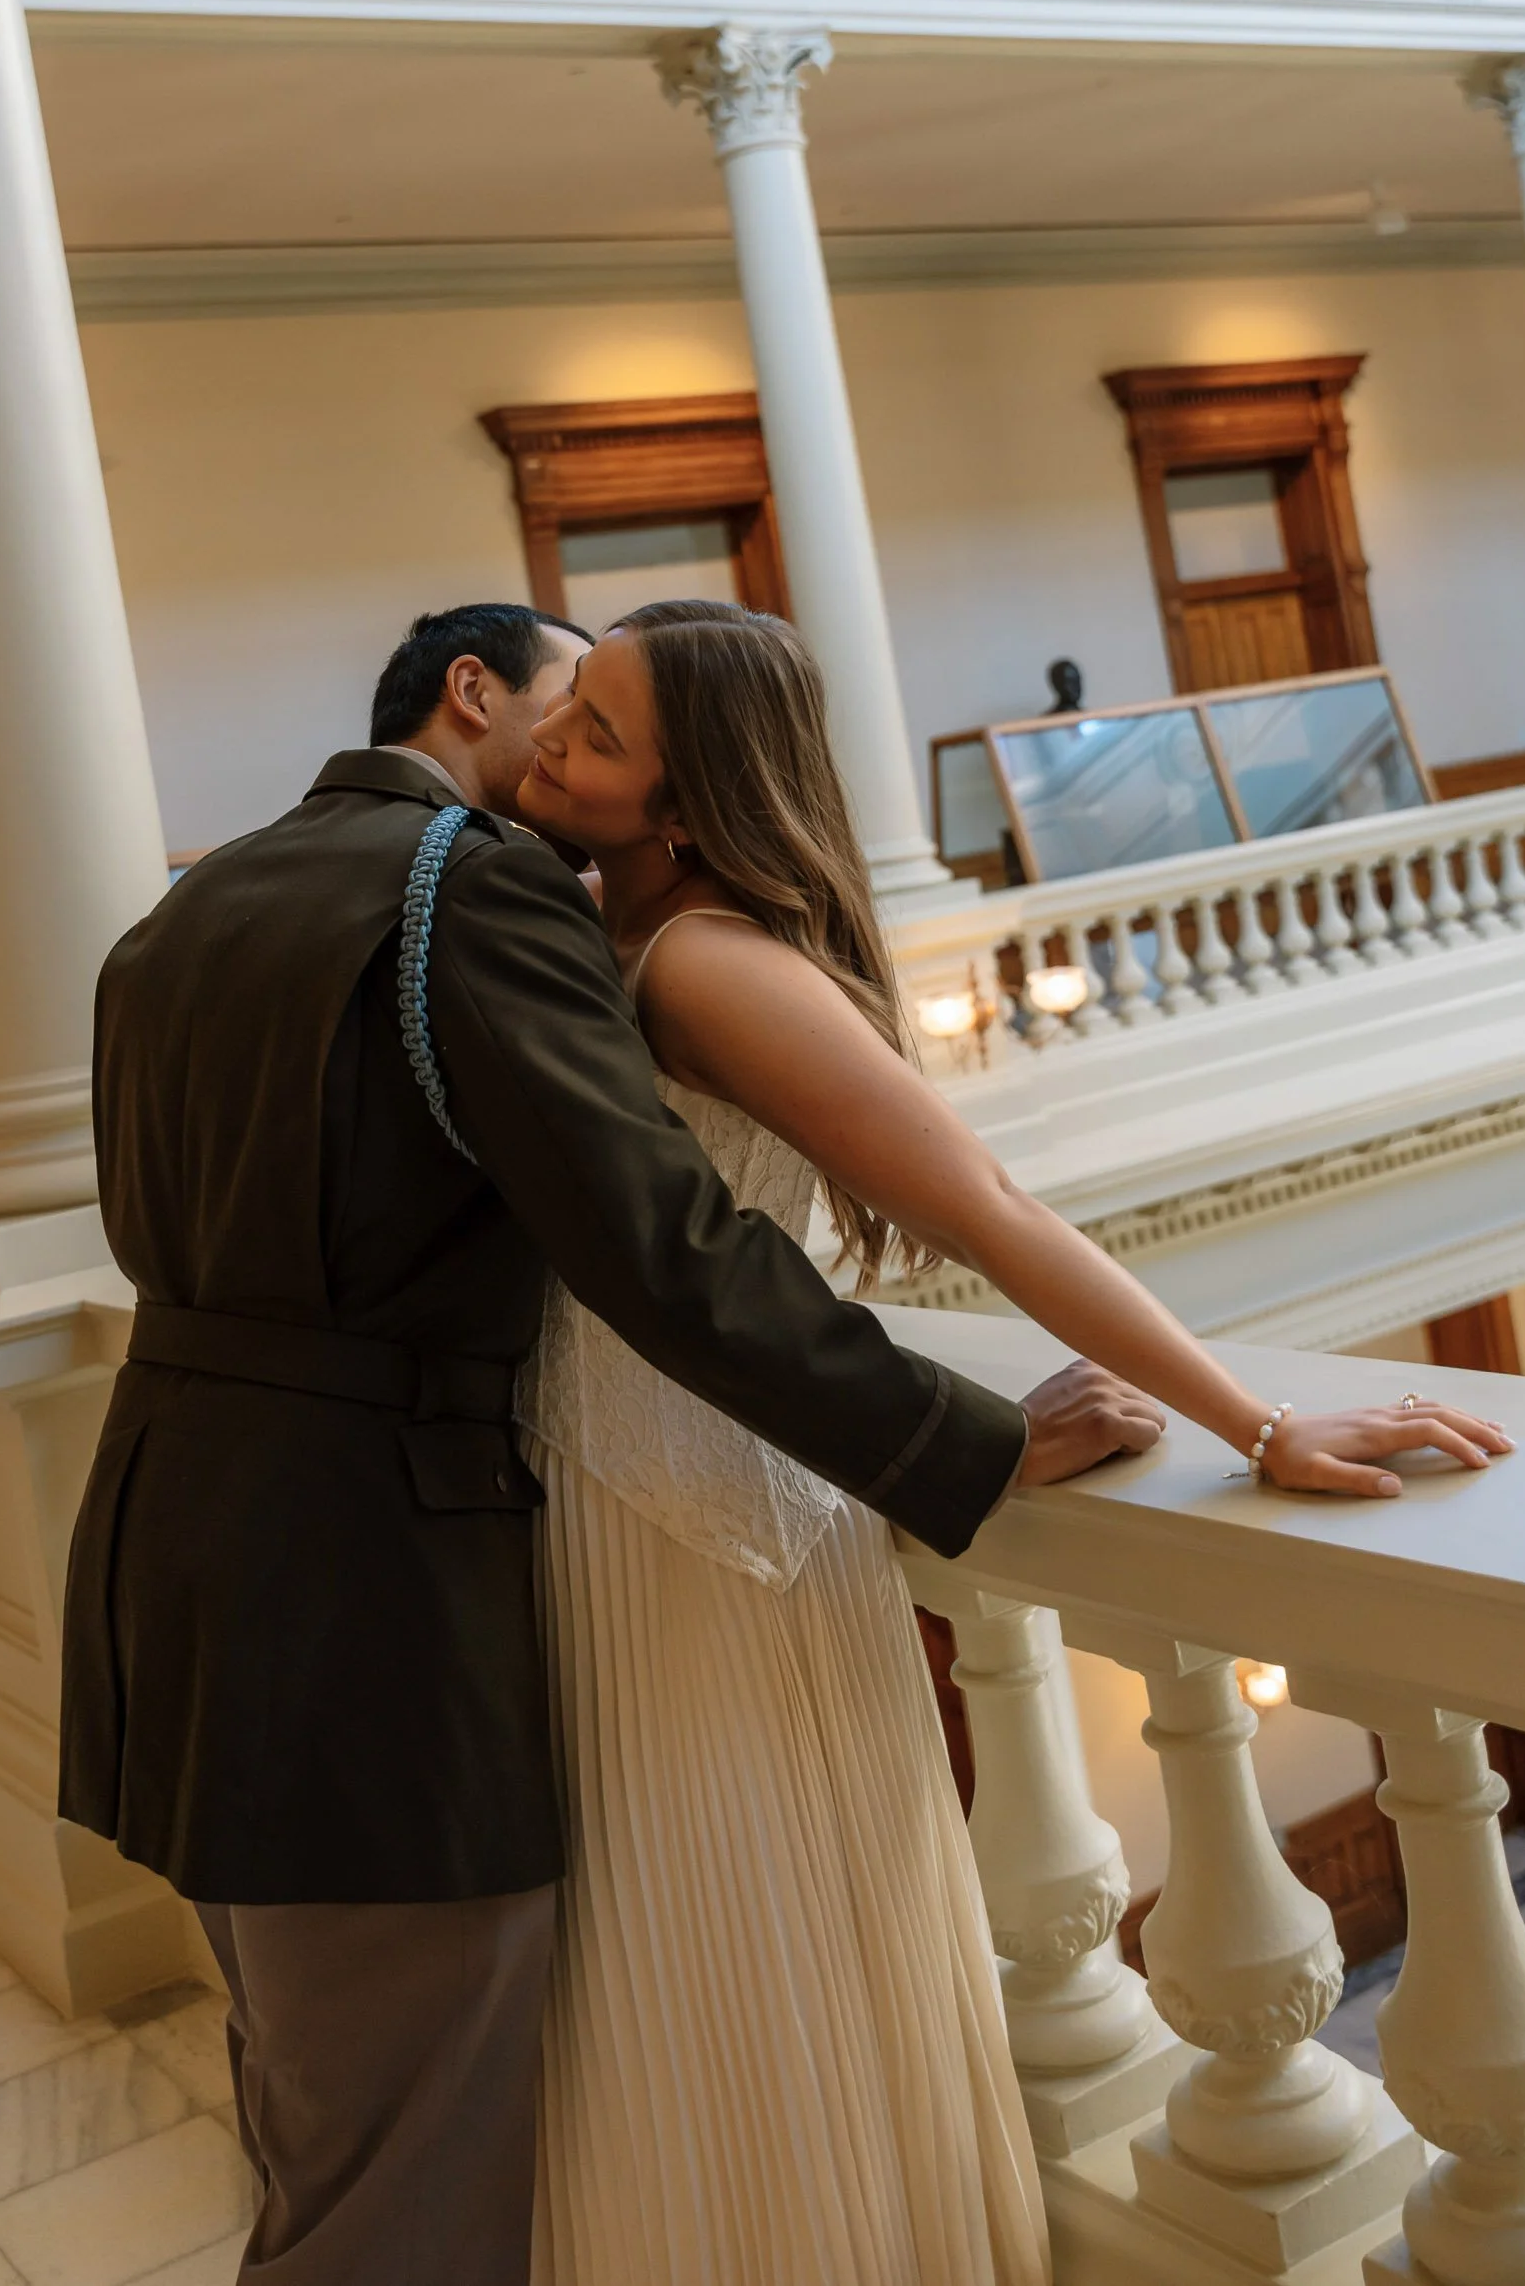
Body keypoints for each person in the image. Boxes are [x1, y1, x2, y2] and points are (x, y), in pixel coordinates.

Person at [59, 601, 1135, 2286]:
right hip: (368, 1612)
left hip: (163, 1573)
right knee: (394, 2195)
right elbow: (670, 1255)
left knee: (306, 2112)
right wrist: (968, 1444)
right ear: (475, 695)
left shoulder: (185, 909)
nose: (567, 754)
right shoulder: (461, 884)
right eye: (574, 707)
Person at [513, 600, 1514, 2286]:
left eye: (596, 733)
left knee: (748, 1936)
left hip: (702, 1522)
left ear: (687, 811)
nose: (550, 740)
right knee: (684, 1939)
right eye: (569, 708)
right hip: (633, 1501)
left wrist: (1256, 1419)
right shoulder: (585, 928)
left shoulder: (703, 964)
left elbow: (984, 1209)